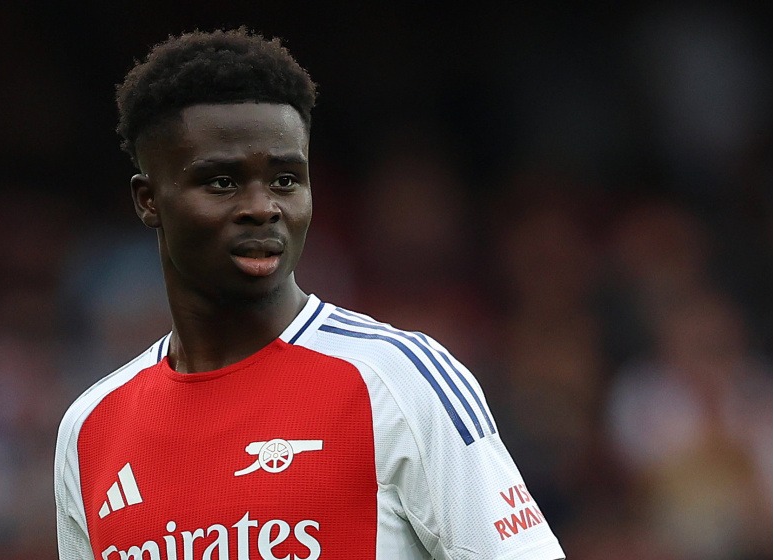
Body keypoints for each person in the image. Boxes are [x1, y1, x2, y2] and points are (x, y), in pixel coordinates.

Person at [55, 28, 566, 560]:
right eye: (223, 182)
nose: (263, 208)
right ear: (148, 200)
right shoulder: (90, 428)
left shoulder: (397, 379)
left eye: (284, 180)